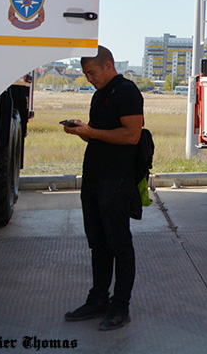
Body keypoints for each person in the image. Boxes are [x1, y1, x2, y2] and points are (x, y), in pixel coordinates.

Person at [62, 46, 145, 331]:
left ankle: (120, 307)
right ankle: (98, 299)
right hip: (96, 179)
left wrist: (91, 132)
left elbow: (132, 135)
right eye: (86, 74)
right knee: (98, 241)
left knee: (119, 243)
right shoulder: (100, 95)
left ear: (109, 65)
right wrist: (83, 131)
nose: (89, 79)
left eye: (92, 73)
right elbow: (101, 137)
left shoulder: (126, 91)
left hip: (116, 181)